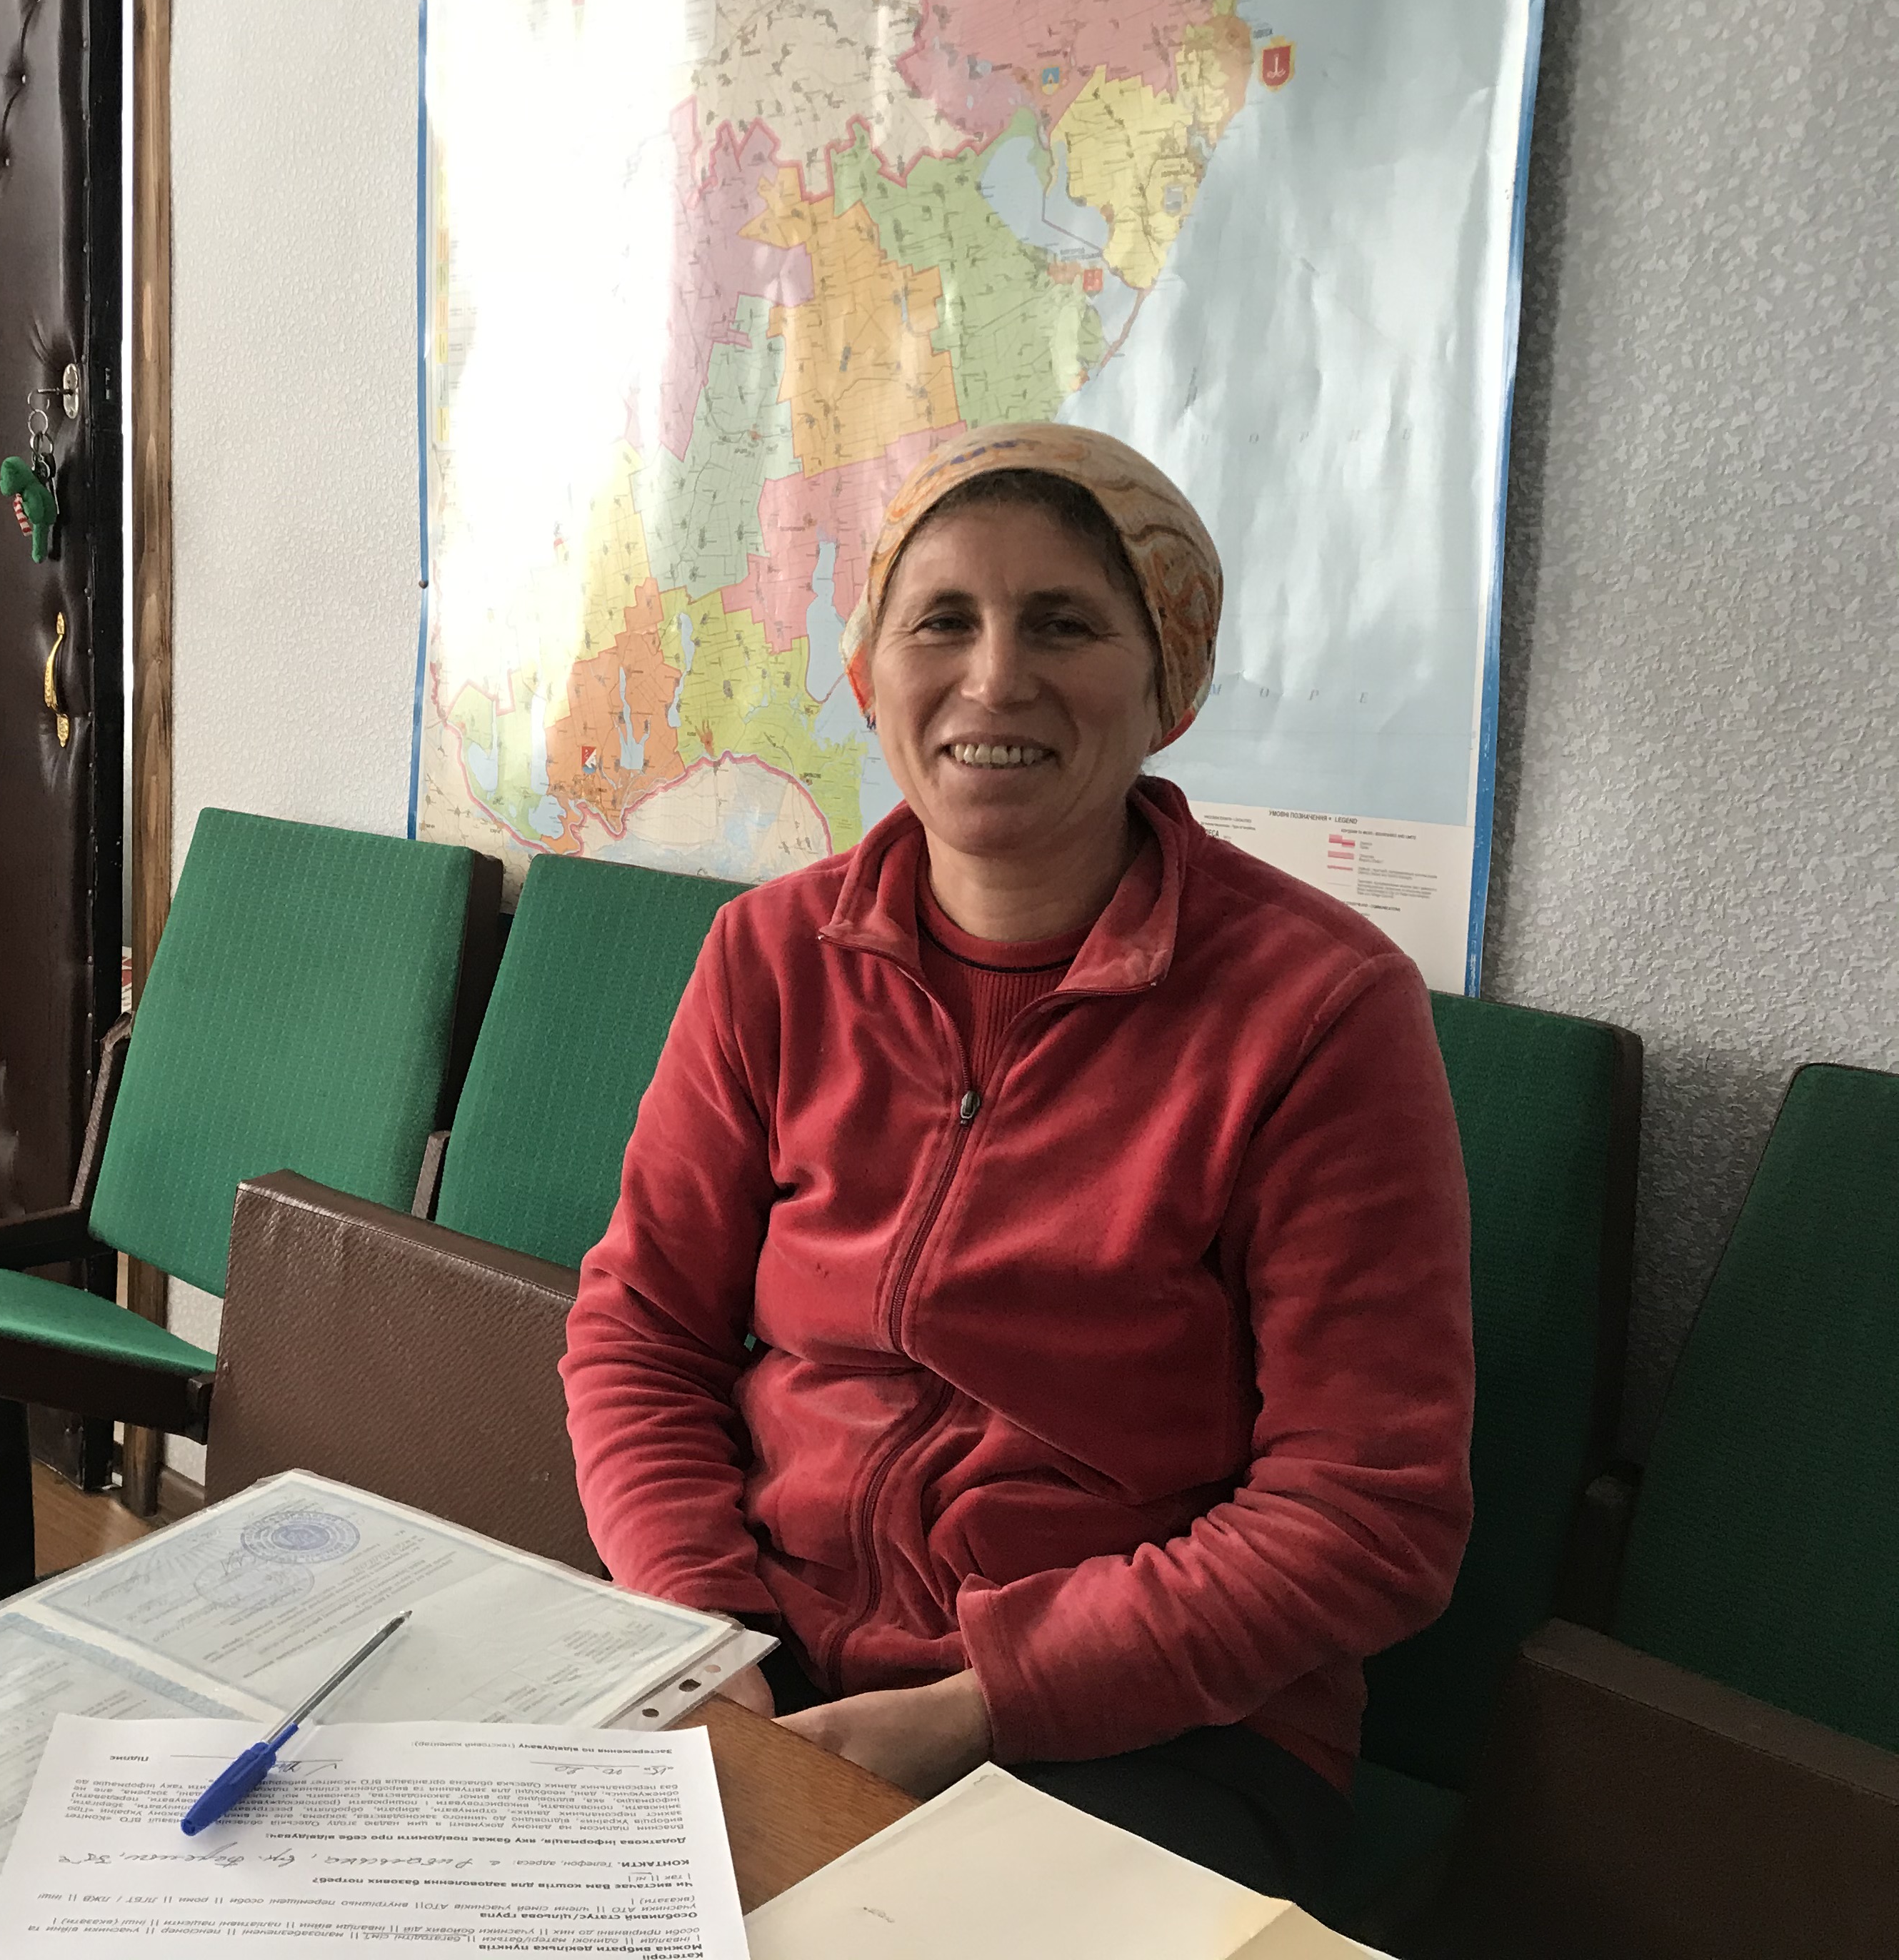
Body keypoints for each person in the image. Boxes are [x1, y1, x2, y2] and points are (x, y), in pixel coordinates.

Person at [559, 423, 1473, 1902]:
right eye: (943, 621)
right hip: (758, 1647)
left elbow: (1368, 1511)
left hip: (1160, 1724)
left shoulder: (1322, 1013)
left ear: (1169, 685)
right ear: (870, 674)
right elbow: (641, 1332)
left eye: (1062, 624)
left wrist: (978, 1708)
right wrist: (704, 1633)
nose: (993, 680)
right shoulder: (768, 957)